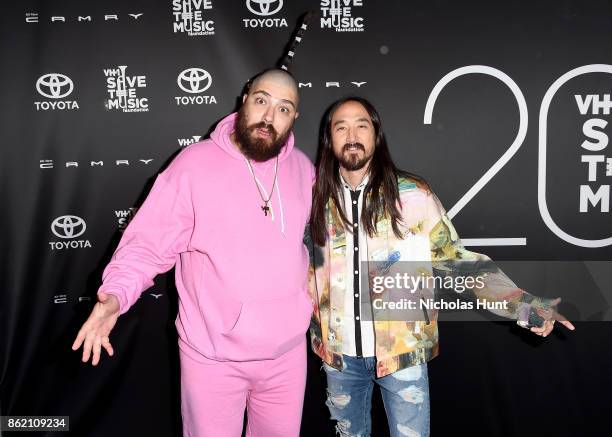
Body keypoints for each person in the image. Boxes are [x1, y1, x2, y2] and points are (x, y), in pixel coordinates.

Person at [305, 96, 575, 437]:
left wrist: (524, 305)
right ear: (329, 138)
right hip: (338, 357)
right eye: (340, 127)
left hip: (402, 355)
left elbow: (457, 263)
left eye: (362, 124)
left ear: (376, 134)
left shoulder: (413, 195)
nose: (352, 134)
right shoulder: (312, 199)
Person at [71, 68, 315, 437]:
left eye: (283, 109)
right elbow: (148, 245)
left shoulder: (302, 168)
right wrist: (115, 297)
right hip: (213, 358)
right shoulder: (193, 165)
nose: (268, 117)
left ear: (294, 117)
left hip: (287, 356)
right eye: (262, 101)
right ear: (244, 99)